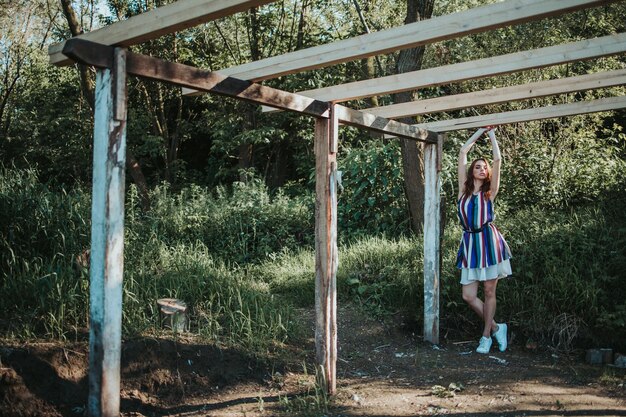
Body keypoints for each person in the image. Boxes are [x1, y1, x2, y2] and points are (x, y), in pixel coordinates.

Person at [456, 127, 512, 354]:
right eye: (477, 166)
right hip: (470, 243)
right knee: (468, 295)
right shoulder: (463, 191)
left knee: (489, 292)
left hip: (489, 243)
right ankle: (498, 327)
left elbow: (497, 159)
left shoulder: (490, 192)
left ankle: (486, 337)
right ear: (472, 171)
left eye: (484, 167)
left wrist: (491, 135)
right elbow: (462, 152)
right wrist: (478, 131)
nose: (481, 169)